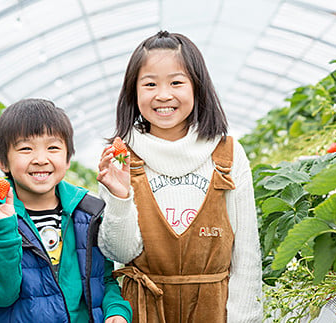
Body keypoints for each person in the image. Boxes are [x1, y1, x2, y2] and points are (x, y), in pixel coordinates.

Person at [96, 31, 263, 322]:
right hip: (144, 311)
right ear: (133, 93)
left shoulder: (227, 154)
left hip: (215, 309)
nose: (163, 95)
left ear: (197, 88)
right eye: (150, 84)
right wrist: (120, 197)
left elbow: (246, 254)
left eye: (176, 82)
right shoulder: (121, 158)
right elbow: (119, 251)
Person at [0, 98, 132, 323]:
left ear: (67, 160)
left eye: (53, 148)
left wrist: (117, 311)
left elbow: (103, 280)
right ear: (3, 161)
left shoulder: (88, 214)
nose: (40, 159)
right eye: (25, 148)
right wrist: (5, 228)